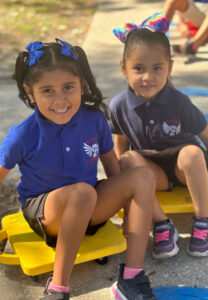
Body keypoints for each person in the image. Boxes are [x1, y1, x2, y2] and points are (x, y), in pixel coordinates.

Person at [0, 39, 158, 300]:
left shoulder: (94, 119)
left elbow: (112, 168)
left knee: (142, 176)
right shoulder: (22, 135)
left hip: (89, 206)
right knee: (83, 192)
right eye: (48, 91)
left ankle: (131, 277)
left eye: (68, 87)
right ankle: (58, 288)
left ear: (82, 85)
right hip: (46, 215)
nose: (60, 99)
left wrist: (130, 208)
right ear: (30, 93)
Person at [110, 12, 208, 260]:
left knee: (192, 153)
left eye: (157, 68)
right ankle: (162, 224)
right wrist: (124, 187)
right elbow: (120, 143)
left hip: (186, 170)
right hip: (153, 172)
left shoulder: (178, 102)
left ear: (169, 67)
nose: (148, 77)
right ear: (124, 68)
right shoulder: (119, 106)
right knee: (128, 160)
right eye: (138, 68)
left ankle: (203, 221)